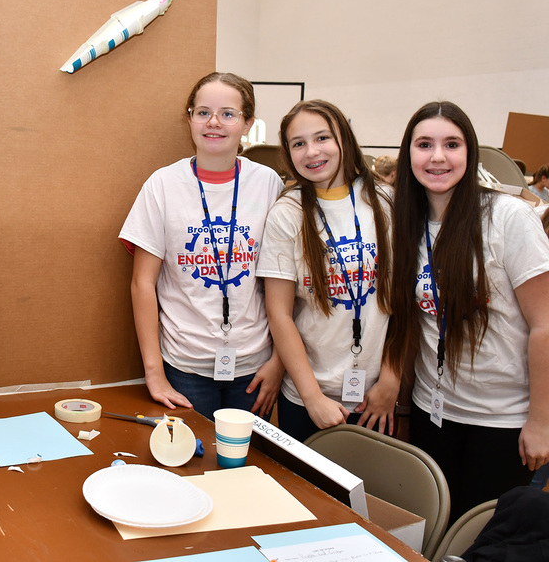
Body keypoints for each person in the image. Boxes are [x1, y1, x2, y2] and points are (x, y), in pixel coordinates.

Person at [384, 101, 549, 523]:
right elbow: (411, 327)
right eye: (424, 145)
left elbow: (545, 325)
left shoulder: (508, 218)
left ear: (470, 153)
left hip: (502, 422)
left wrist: (541, 422)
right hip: (432, 412)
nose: (437, 157)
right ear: (409, 156)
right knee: (431, 532)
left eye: (451, 144)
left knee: (482, 539)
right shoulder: (406, 223)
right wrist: (403, 408)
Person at [119, 72, 284, 421]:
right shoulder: (163, 184)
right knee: (193, 467)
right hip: (185, 367)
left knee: (247, 468)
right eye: (203, 112)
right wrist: (154, 372)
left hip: (256, 368)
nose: (214, 122)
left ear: (247, 123)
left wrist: (279, 362)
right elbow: (142, 284)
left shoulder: (268, 183)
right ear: (190, 118)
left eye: (228, 113)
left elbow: (286, 283)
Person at [258, 100, 397, 442]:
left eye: (322, 138)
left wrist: (391, 381)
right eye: (298, 143)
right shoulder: (286, 213)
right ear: (288, 153)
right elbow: (280, 313)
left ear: (343, 140)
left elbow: (403, 304)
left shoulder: (386, 201)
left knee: (372, 495)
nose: (312, 152)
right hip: (307, 394)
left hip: (376, 396)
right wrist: (312, 397)